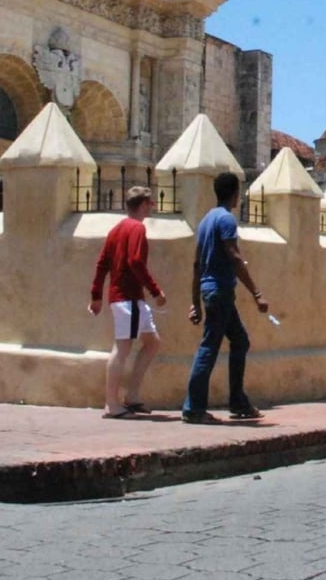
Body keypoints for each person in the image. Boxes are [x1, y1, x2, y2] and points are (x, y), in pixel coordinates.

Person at [182, 171, 268, 423]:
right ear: (235, 194)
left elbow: (197, 264)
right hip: (220, 291)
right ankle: (194, 408)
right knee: (209, 346)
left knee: (240, 341)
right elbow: (234, 256)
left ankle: (238, 402)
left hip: (213, 292)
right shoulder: (227, 220)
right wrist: (257, 293)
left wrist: (195, 302)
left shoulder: (206, 220)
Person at [89, 186, 167, 419]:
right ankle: (112, 404)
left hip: (128, 299)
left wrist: (96, 296)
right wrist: (156, 291)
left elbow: (102, 264)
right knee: (122, 348)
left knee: (152, 343)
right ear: (143, 205)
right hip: (128, 299)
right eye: (150, 203)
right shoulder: (137, 228)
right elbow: (135, 261)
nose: (152, 207)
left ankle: (131, 396)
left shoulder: (115, 230)